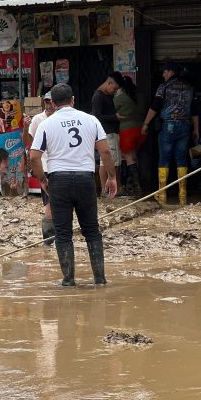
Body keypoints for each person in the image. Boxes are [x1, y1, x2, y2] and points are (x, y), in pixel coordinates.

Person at [30, 83, 117, 286]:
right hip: (86, 179)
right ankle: (100, 279)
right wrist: (112, 177)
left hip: (58, 181)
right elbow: (105, 152)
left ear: (52, 102)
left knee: (63, 233)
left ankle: (68, 281)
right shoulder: (91, 120)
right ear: (73, 100)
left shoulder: (46, 124)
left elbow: (34, 157)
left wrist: (43, 180)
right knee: (92, 231)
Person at [141, 62, 199, 205]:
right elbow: (195, 110)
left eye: (164, 72)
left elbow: (155, 106)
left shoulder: (164, 87)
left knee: (165, 158)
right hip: (185, 126)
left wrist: (145, 124)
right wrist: (196, 129)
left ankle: (162, 193)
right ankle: (183, 193)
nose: (163, 75)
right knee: (181, 158)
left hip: (168, 126)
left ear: (170, 72)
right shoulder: (189, 87)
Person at [25, 92, 57, 245]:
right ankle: (48, 240)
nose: (49, 105)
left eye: (51, 102)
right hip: (45, 166)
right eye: (46, 102)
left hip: (60, 166)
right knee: (50, 203)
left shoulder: (60, 118)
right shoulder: (38, 119)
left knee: (59, 202)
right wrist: (25, 126)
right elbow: (28, 142)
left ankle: (57, 236)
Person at [91, 72, 124, 196]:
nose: (114, 91)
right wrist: (114, 117)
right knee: (106, 162)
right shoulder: (98, 96)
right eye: (114, 88)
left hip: (112, 133)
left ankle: (110, 189)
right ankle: (106, 190)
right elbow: (97, 116)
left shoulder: (106, 95)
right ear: (109, 82)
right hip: (107, 133)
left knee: (113, 161)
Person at [114, 75, 145, 197]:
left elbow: (111, 110)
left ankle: (136, 187)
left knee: (128, 158)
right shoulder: (140, 96)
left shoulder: (120, 98)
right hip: (141, 130)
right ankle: (133, 185)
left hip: (126, 130)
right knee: (134, 156)